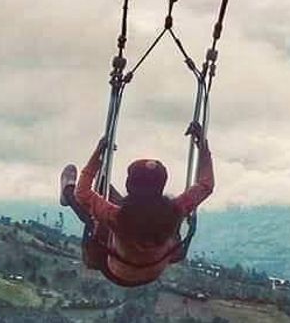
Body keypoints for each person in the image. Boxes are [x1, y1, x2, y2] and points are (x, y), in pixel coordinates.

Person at [59, 122, 214, 288]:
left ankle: (67, 191)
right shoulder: (175, 210)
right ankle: (102, 180)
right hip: (153, 271)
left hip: (115, 270)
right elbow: (206, 185)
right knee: (104, 196)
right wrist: (203, 146)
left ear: (128, 185)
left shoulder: (117, 217)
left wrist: (96, 156)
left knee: (96, 219)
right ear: (161, 185)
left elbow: (82, 193)